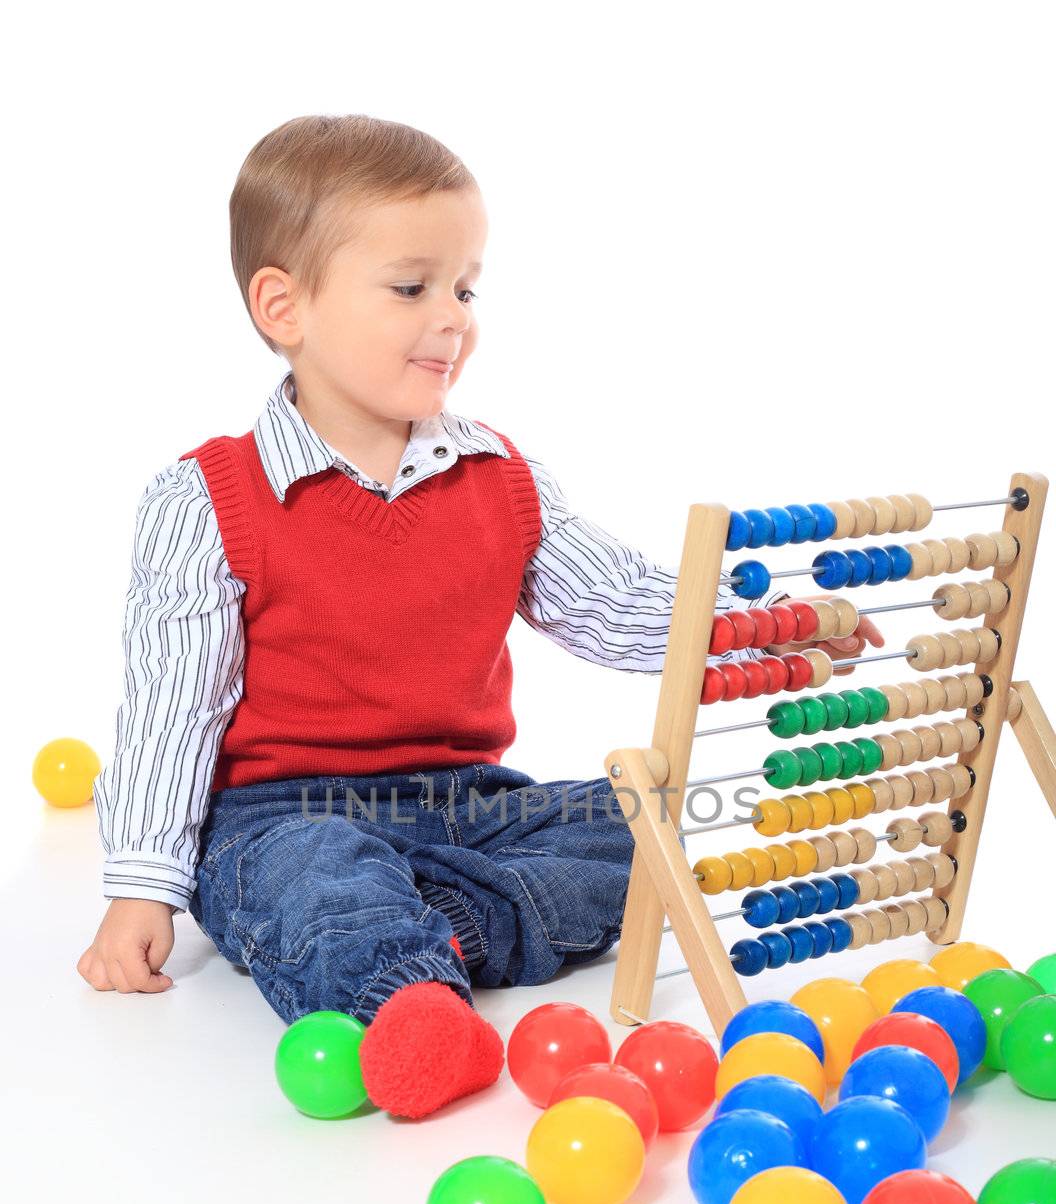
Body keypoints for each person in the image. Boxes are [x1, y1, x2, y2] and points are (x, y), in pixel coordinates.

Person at [76, 113, 881, 1117]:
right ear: (284, 305)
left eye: (466, 286)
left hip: (469, 803)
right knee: (319, 882)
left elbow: (619, 602)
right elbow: (170, 709)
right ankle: (404, 997)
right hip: (287, 814)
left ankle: (442, 924)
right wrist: (140, 887)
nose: (452, 316)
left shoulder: (503, 479)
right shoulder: (211, 498)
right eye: (412, 288)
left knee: (654, 828)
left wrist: (770, 628)